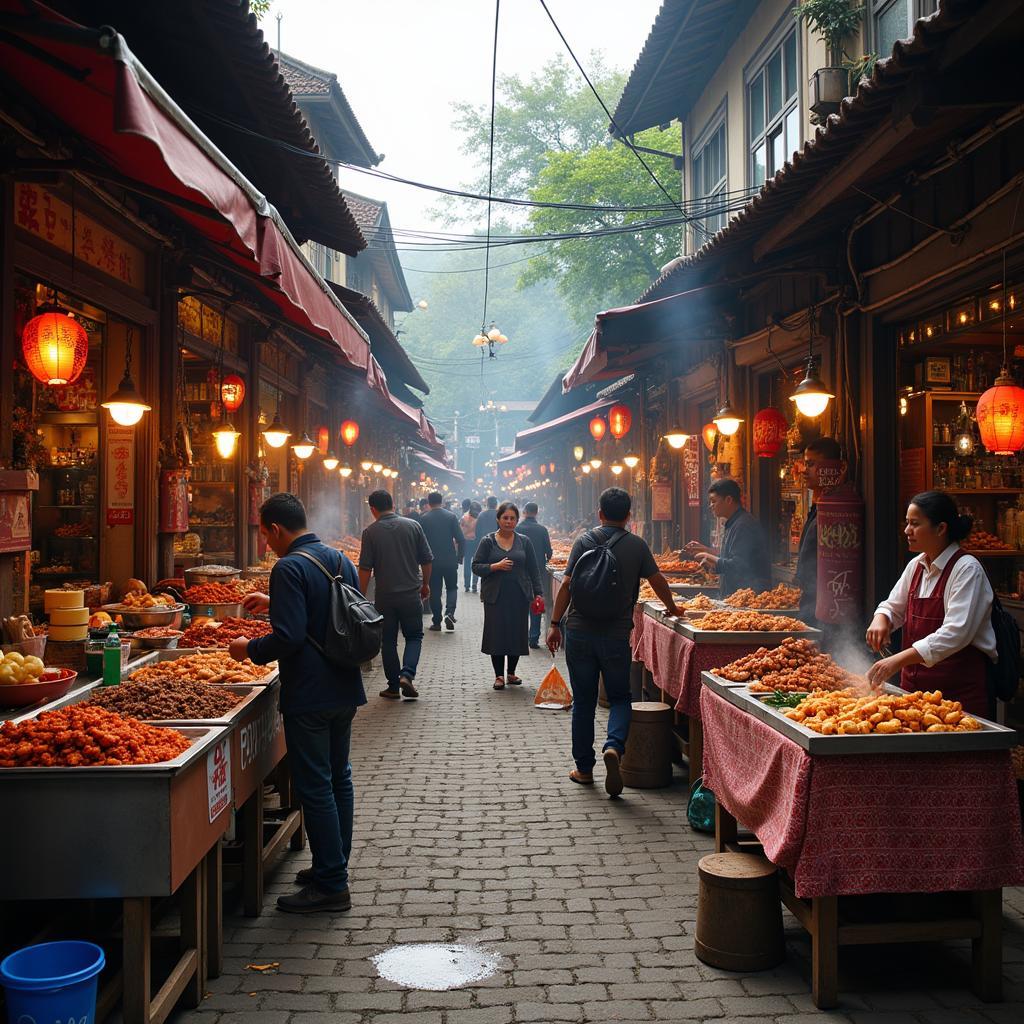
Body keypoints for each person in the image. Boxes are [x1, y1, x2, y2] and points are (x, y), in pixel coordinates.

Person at [229, 492, 364, 913]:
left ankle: (330, 883)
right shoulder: (339, 559)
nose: (266, 543)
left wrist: (246, 648)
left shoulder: (288, 567)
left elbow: (287, 638)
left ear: (276, 529)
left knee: (316, 785)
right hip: (344, 685)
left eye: (265, 534)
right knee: (339, 777)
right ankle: (333, 864)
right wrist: (278, 605)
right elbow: (339, 611)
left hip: (310, 692)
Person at [546, 487, 683, 797]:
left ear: (600, 514)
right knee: (621, 697)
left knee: (583, 701)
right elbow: (657, 580)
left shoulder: (583, 541)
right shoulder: (636, 545)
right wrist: (673, 608)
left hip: (579, 631)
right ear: (629, 516)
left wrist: (555, 625)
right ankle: (614, 746)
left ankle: (583, 769)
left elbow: (567, 585)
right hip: (616, 633)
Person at [866, 490, 995, 716]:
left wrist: (897, 660)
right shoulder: (917, 565)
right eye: (907, 523)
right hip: (914, 696)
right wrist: (881, 618)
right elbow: (892, 606)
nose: (907, 531)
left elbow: (956, 633)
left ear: (941, 528)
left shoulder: (967, 569)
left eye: (915, 524)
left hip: (958, 697)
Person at [357, 490, 432, 700]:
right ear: (392, 504)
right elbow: (427, 560)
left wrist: (360, 597)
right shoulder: (413, 526)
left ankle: (392, 686)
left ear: (373, 509)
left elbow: (365, 569)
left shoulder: (370, 532)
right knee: (414, 636)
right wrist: (425, 584)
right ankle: (407, 674)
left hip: (385, 597)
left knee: (388, 641)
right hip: (410, 594)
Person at [473, 501, 544, 690]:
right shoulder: (488, 541)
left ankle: (511, 672)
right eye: (505, 518)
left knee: (516, 633)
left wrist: (538, 593)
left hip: (519, 595)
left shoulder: (524, 541)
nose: (509, 521)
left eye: (512, 518)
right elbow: (475, 566)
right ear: (498, 519)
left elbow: (533, 569)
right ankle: (498, 675)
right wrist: (494, 567)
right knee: (496, 634)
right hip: (495, 596)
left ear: (517, 521)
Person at [685, 478, 771, 599]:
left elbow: (739, 565)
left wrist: (709, 557)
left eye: (713, 501)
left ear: (729, 500)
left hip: (748, 597)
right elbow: (729, 556)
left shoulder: (744, 525)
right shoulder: (734, 523)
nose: (711, 506)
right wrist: (706, 550)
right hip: (734, 595)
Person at [795, 437, 845, 628]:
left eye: (811, 464)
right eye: (805, 464)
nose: (804, 470)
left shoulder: (837, 508)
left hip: (826, 604)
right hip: (810, 599)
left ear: (830, 468)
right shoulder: (818, 506)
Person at [419, 491, 465, 632]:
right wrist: (459, 557)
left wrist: (420, 561)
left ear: (428, 502)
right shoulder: (451, 517)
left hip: (432, 562)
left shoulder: (424, 519)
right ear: (442, 501)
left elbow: (419, 542)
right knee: (452, 587)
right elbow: (461, 539)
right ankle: (450, 613)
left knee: (435, 591)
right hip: (450, 560)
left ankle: (437, 622)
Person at [517, 501, 553, 648]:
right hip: (538, 572)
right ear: (537, 512)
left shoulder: (517, 528)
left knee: (521, 604)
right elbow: (549, 552)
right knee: (536, 603)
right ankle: (533, 638)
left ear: (524, 512)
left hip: (520, 572)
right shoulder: (542, 529)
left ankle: (520, 637)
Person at [461, 500, 481, 594]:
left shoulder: (464, 517)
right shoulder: (480, 518)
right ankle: (474, 584)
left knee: (467, 564)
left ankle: (466, 585)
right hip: (477, 543)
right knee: (476, 563)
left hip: (467, 542)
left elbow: (461, 531)